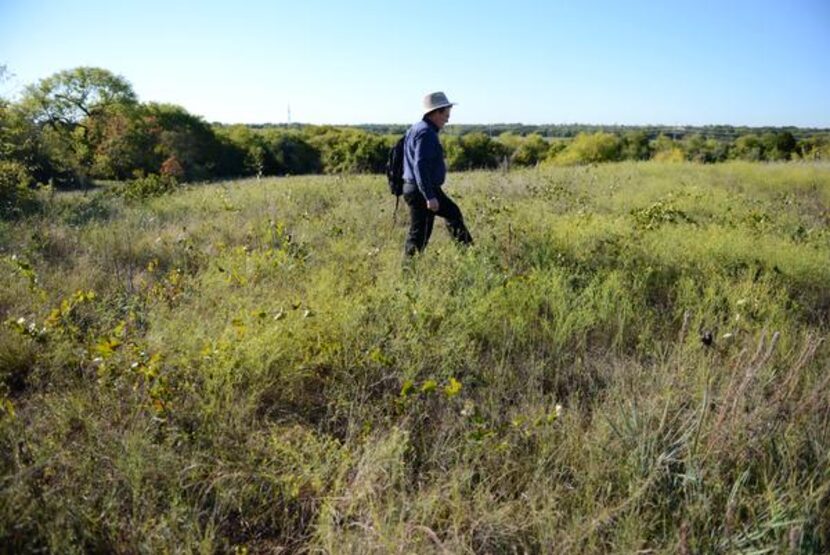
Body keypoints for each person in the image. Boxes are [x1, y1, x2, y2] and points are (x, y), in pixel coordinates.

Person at [402, 91, 473, 256]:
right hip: (422, 190)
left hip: (417, 188)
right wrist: (429, 196)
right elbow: (420, 165)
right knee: (420, 232)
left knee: (437, 222)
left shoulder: (416, 129)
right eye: (446, 113)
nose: (448, 118)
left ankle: (469, 254)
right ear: (435, 112)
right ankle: (470, 255)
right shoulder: (426, 133)